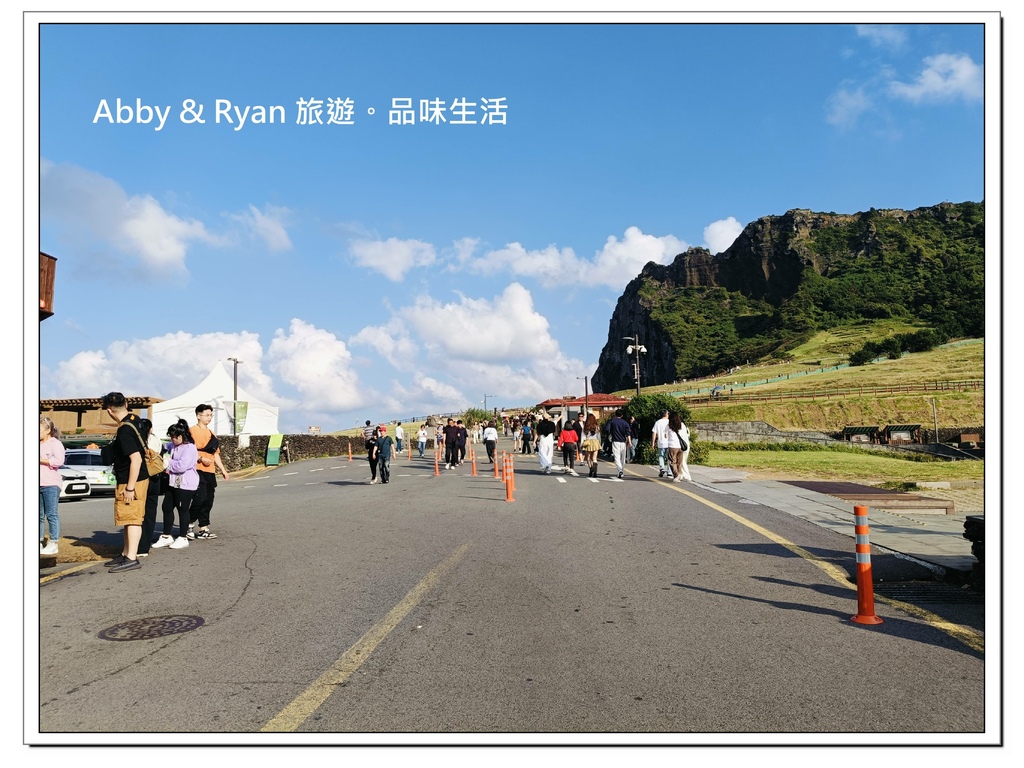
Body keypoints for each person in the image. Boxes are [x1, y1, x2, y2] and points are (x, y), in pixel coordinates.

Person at [99, 392, 151, 573]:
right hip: (137, 478)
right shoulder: (134, 419)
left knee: (133, 519)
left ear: (109, 410)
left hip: (132, 480)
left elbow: (136, 459)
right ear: (126, 404)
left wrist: (130, 487)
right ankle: (126, 553)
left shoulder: (124, 430)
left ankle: (131, 558)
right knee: (128, 519)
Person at [152, 419, 198, 549]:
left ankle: (183, 537)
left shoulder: (189, 448)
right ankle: (166, 536)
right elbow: (161, 447)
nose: (173, 439)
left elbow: (182, 466)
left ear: (183, 435)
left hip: (186, 483)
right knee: (167, 507)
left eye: (176, 437)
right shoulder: (173, 445)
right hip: (173, 482)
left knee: (182, 509)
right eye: (171, 437)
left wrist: (167, 462)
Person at [189, 403, 230, 540]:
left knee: (208, 499)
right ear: (198, 416)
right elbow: (188, 450)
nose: (209, 417)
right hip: (196, 468)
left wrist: (223, 470)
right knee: (199, 497)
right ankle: (188, 523)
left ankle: (203, 527)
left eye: (211, 415)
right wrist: (200, 458)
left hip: (210, 470)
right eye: (206, 415)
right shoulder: (192, 431)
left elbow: (215, 454)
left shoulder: (212, 434)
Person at [135, 418, 164, 558]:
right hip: (155, 476)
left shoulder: (136, 440)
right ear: (151, 428)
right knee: (150, 513)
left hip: (141, 477)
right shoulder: (156, 440)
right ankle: (144, 546)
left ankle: (136, 545)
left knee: (137, 513)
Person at [39, 416, 64, 556]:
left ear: (48, 430)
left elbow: (59, 461)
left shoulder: (55, 443)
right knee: (38, 515)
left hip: (51, 484)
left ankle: (53, 542)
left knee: (51, 514)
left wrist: (41, 460)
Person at [607, 409, 632, 479]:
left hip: (615, 441)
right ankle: (621, 471)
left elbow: (607, 429)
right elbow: (628, 433)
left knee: (616, 457)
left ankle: (620, 469)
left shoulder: (612, 421)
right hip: (623, 442)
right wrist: (630, 442)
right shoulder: (625, 423)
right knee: (623, 457)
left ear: (615, 414)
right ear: (622, 415)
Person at [671, 414, 692, 482]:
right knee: (682, 461)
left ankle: (687, 476)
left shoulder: (676, 426)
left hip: (680, 445)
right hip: (686, 445)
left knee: (682, 462)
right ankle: (681, 475)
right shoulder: (683, 425)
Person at [652, 409, 672, 478]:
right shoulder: (669, 422)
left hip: (661, 442)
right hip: (669, 442)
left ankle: (662, 468)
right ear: (666, 414)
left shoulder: (657, 422)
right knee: (669, 457)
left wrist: (653, 443)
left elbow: (654, 433)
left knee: (661, 456)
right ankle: (669, 472)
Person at [580, 413, 602, 478]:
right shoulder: (597, 426)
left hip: (588, 442)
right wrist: (599, 443)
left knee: (588, 457)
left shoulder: (585, 427)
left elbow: (583, 436)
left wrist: (582, 444)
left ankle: (591, 469)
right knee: (594, 458)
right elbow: (599, 436)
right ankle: (595, 472)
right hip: (595, 442)